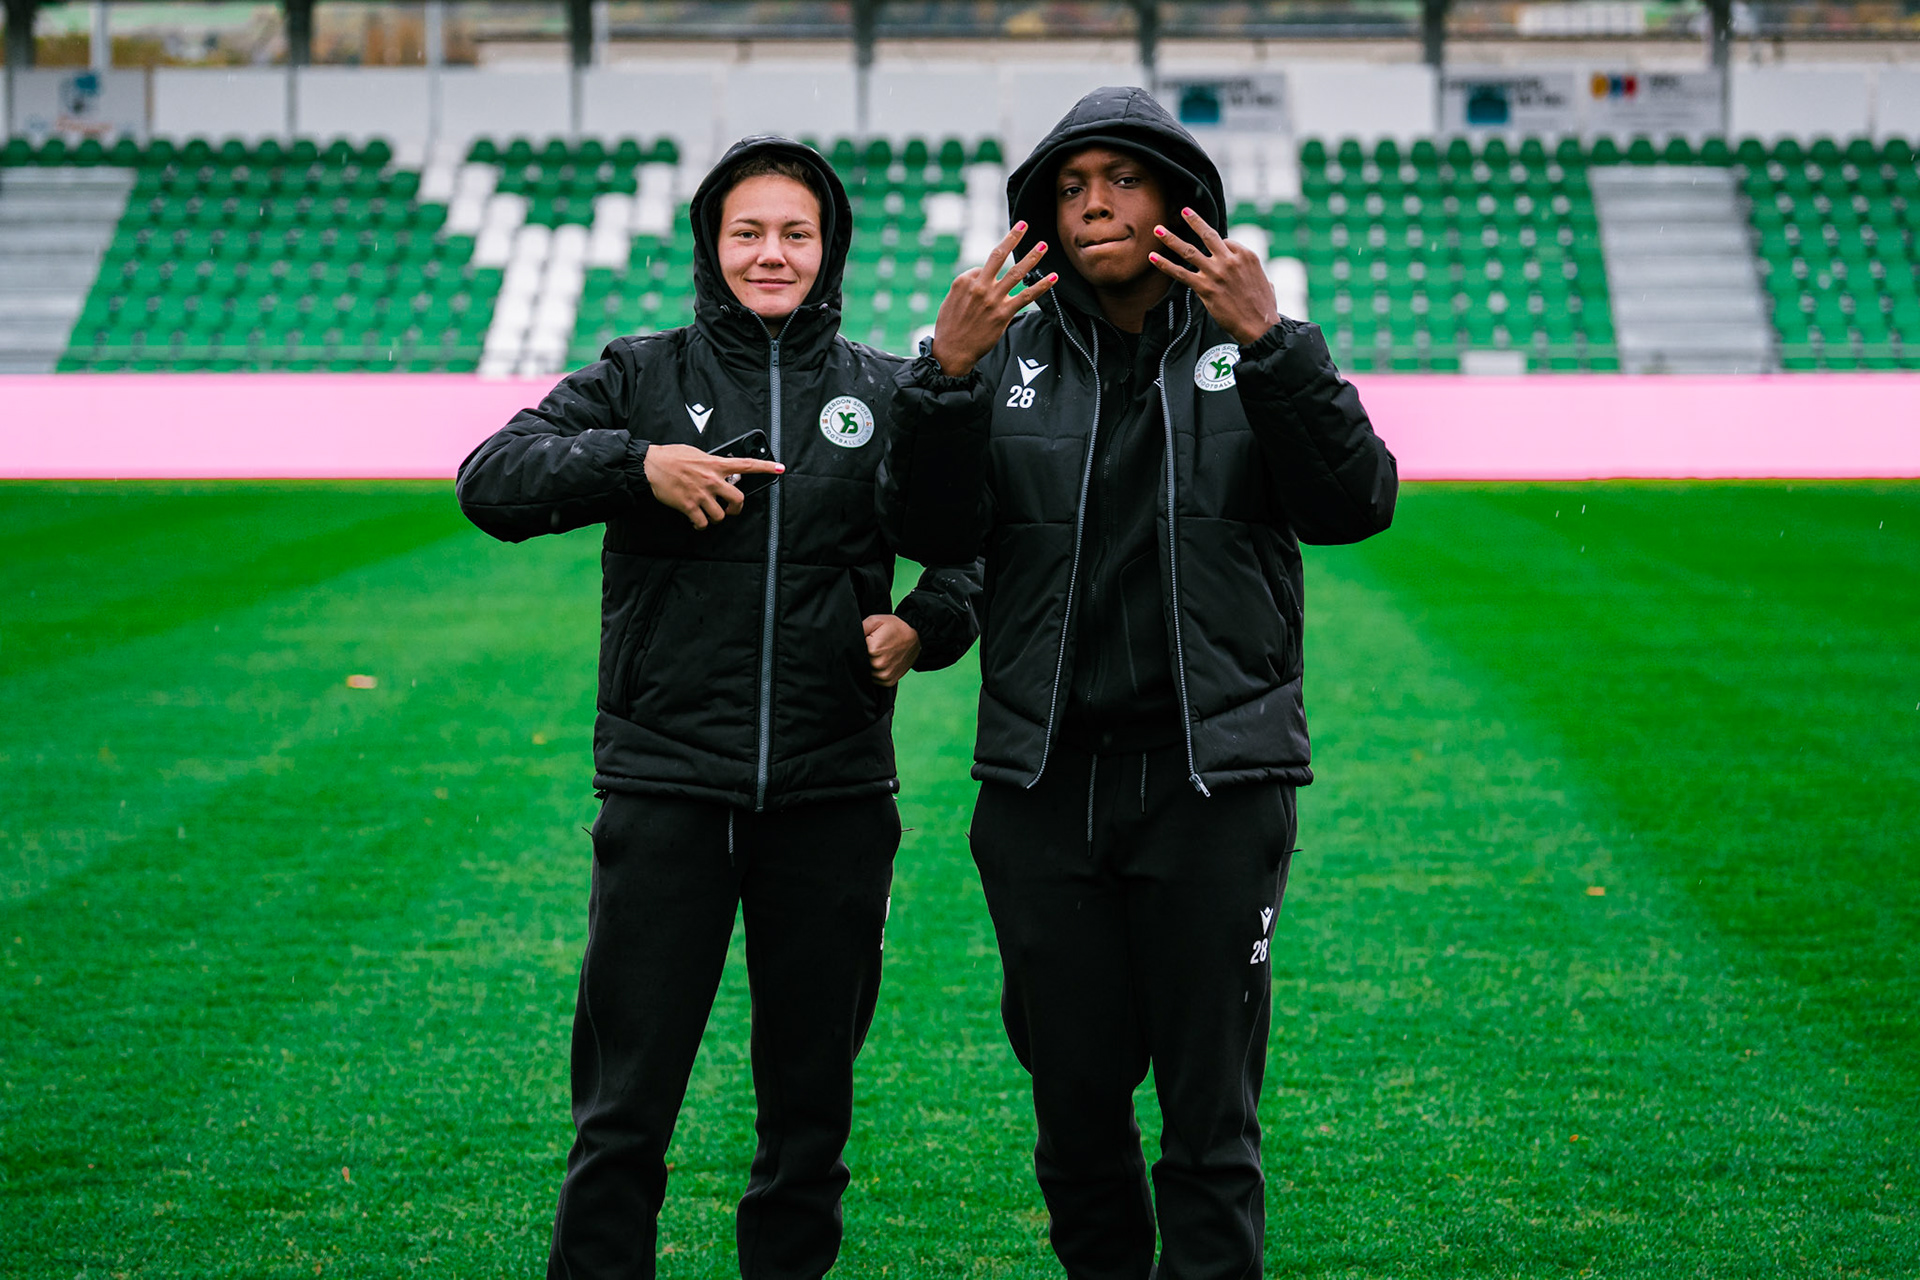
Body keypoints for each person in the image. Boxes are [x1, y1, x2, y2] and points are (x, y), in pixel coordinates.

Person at [878, 87, 1397, 1279]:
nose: (1092, 200)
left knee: (1211, 1120)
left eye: (1120, 176)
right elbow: (930, 525)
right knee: (1073, 1113)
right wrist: (944, 379)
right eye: (1068, 185)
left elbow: (1356, 500)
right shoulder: (999, 355)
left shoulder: (1251, 348)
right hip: (1043, 785)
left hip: (1214, 783)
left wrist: (1279, 347)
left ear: (1179, 201)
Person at [455, 136, 980, 1280]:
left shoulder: (885, 391)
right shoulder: (640, 375)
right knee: (623, 1111)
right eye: (749, 231)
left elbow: (970, 552)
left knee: (808, 1118)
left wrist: (922, 626)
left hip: (834, 793)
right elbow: (490, 478)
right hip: (664, 791)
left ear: (829, 245)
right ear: (711, 243)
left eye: (796, 232)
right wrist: (637, 464)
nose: (772, 253)